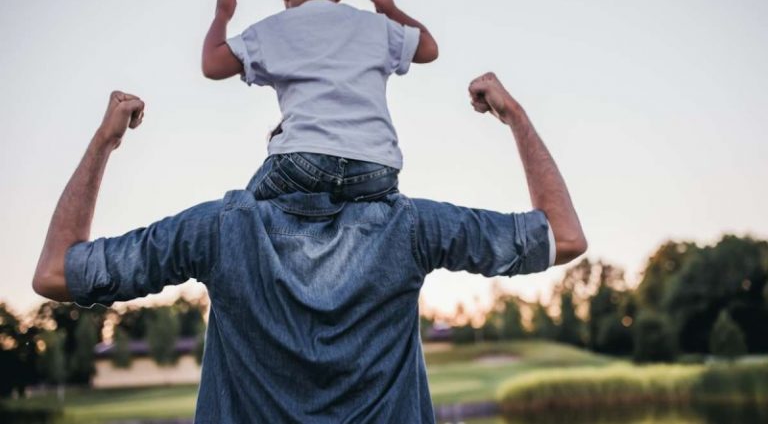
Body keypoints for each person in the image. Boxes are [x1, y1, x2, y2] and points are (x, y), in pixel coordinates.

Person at [32, 72, 587, 423]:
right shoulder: (411, 227)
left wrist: (106, 141)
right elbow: (564, 237)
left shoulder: (219, 231)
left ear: (276, 153)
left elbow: (56, 273)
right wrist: (513, 116)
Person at [201, 0, 439, 202]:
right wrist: (391, 11)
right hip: (376, 168)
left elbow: (212, 64)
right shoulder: (376, 26)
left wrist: (222, 16)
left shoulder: (272, 30)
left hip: (304, 162)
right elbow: (429, 48)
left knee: (243, 214)